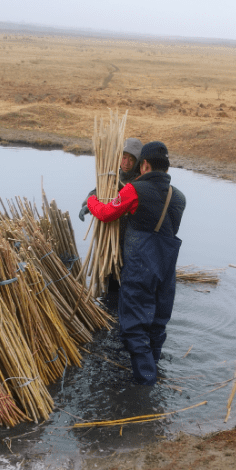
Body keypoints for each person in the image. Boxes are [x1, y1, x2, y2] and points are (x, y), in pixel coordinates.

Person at [84, 141, 186, 385]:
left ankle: (145, 382)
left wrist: (90, 201)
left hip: (140, 267)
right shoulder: (179, 197)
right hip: (167, 269)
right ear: (167, 169)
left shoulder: (134, 189)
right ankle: (155, 367)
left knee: (133, 325)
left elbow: (106, 213)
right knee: (157, 323)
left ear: (145, 165)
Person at [80, 137, 143, 302]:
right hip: (108, 240)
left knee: (124, 280)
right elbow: (96, 192)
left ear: (138, 162)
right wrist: (87, 204)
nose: (126, 162)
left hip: (127, 241)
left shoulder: (139, 183)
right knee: (109, 279)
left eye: (131, 159)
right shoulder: (112, 176)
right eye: (124, 157)